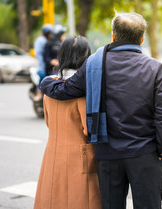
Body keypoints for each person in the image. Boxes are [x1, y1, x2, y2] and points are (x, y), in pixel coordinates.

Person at [40, 12, 162, 209]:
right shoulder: (154, 68)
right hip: (144, 154)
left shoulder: (94, 64)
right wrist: (161, 148)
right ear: (142, 39)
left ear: (113, 36)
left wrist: (45, 82)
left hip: (108, 155)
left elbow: (64, 90)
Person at [34, 36, 101, 209]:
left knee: (53, 198)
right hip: (81, 154)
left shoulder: (50, 86)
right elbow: (89, 129)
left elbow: (49, 121)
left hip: (53, 152)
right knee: (81, 200)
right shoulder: (84, 90)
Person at [33, 24, 53, 101]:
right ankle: (38, 93)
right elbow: (38, 54)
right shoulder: (41, 40)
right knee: (42, 76)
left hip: (47, 64)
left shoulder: (49, 40)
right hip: (42, 65)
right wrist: (43, 65)